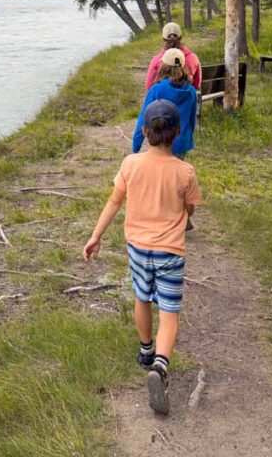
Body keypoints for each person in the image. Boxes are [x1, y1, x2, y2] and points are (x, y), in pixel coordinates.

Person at [83, 99, 202, 415]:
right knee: (170, 310)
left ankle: (145, 351)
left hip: (138, 247)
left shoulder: (130, 164)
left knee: (142, 299)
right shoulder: (185, 172)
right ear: (176, 132)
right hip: (170, 252)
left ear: (145, 132)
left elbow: (113, 202)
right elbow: (190, 209)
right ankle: (161, 366)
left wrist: (96, 236)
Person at [133, 48, 197, 159]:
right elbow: (192, 119)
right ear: (182, 66)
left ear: (163, 65)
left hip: (160, 141)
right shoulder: (191, 91)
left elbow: (143, 118)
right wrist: (187, 139)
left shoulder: (156, 89)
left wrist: (136, 145)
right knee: (176, 173)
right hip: (181, 141)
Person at [145, 22, 201, 93]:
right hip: (187, 98)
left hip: (163, 100)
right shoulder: (193, 57)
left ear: (164, 38)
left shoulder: (157, 59)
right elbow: (197, 84)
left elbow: (149, 85)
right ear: (181, 37)